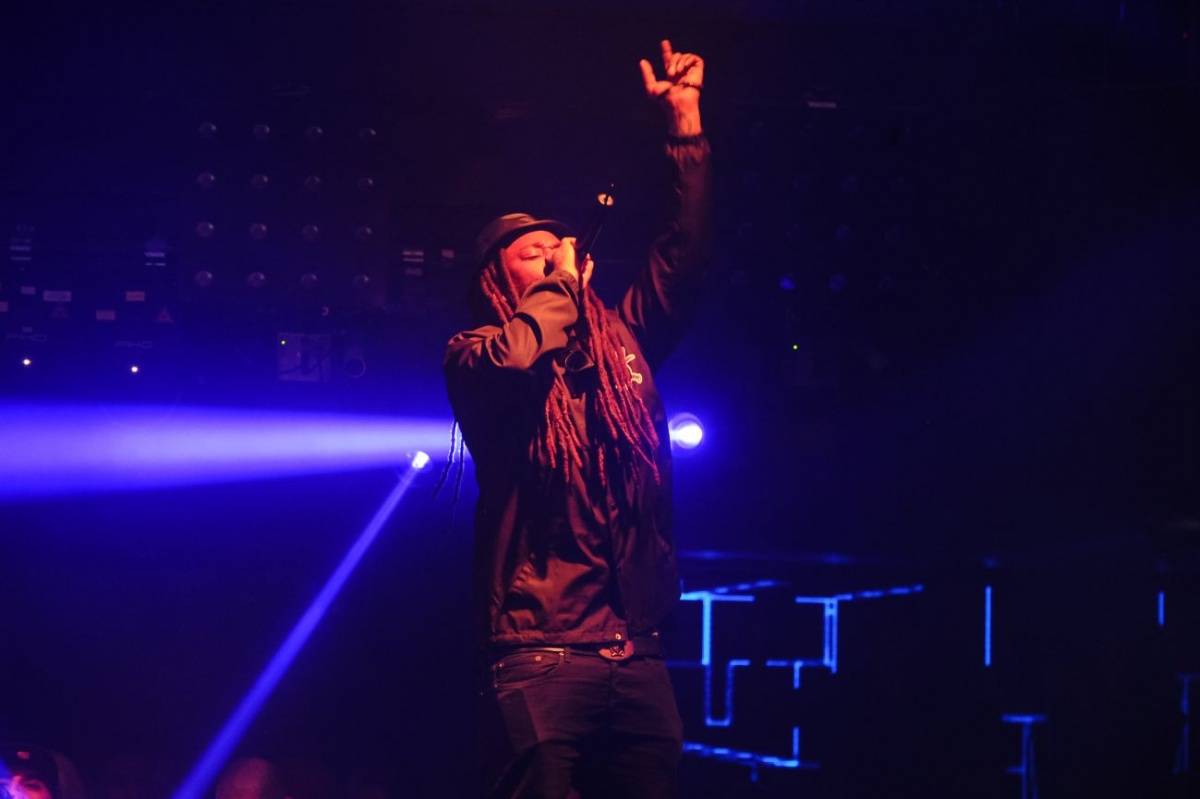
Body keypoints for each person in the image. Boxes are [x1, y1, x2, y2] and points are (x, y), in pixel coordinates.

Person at [443, 38, 711, 799]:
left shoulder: (622, 339)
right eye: (534, 254)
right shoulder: (475, 353)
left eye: (557, 250)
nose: (557, 257)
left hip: (637, 652)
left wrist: (685, 126)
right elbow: (518, 360)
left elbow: (686, 259)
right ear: (499, 282)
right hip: (541, 651)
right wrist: (560, 285)